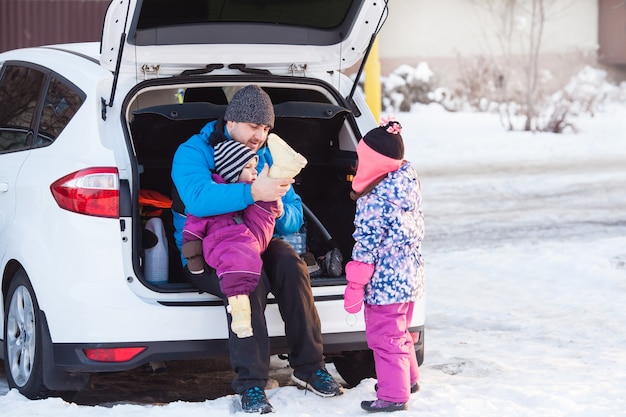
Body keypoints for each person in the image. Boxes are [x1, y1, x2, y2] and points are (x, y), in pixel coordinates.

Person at [171, 85, 343, 414]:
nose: (260, 137)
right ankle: (251, 385)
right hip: (208, 251)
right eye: (254, 127)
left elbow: (294, 214)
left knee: (293, 265)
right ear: (232, 121)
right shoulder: (193, 152)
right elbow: (198, 199)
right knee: (249, 279)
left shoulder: (267, 156)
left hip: (258, 240)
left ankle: (310, 367)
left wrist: (277, 211)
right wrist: (254, 193)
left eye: (265, 129)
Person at [343, 116, 425, 413]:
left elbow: (365, 246)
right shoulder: (405, 181)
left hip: (385, 282)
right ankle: (408, 380)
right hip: (410, 275)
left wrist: (355, 285)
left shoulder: (374, 199)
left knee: (384, 338)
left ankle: (393, 395)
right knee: (400, 332)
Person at [181, 139, 280, 339]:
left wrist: (272, 196)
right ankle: (240, 314)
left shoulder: (256, 192)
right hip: (222, 243)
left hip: (251, 243)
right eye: (248, 168)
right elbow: (194, 226)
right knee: (237, 262)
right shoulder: (215, 195)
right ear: (233, 172)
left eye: (255, 167)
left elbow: (273, 216)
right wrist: (194, 258)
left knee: (268, 259)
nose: (254, 172)